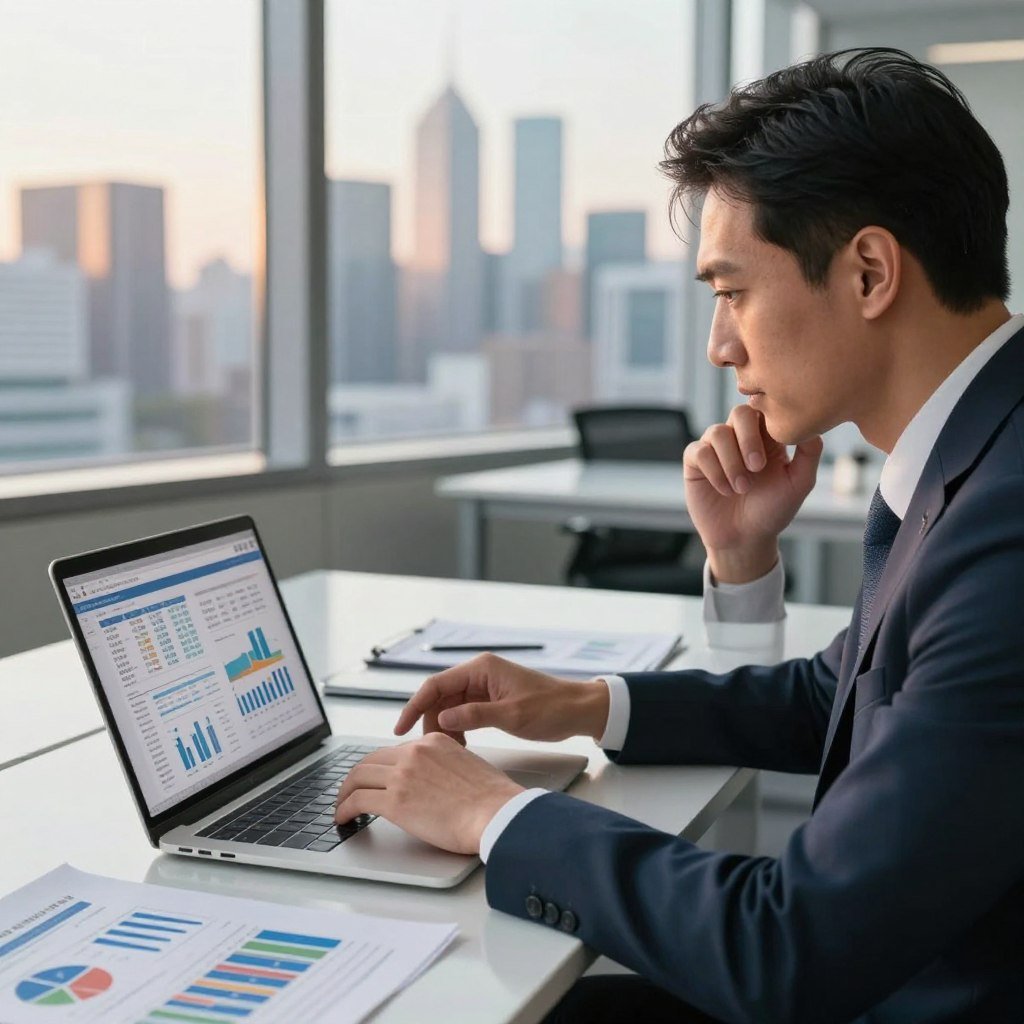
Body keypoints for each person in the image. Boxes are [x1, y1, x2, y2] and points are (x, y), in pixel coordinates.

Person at [334, 48, 1024, 1023]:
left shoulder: (1007, 519)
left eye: (731, 290)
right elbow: (841, 688)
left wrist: (492, 812)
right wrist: (584, 704)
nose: (718, 345)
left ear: (868, 272)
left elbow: (791, 948)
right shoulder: (975, 450)